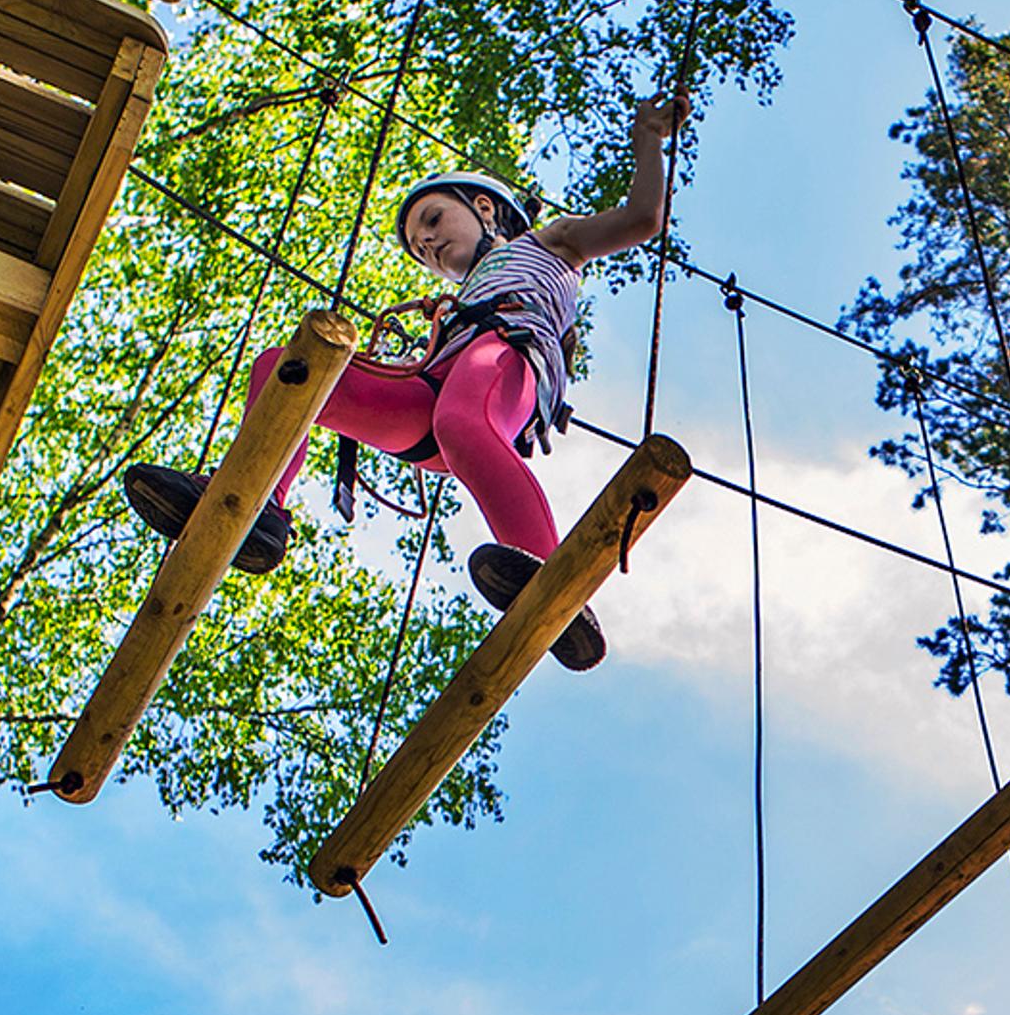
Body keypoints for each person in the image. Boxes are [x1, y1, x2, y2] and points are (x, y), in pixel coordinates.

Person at [120, 94, 684, 673]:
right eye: (419, 247)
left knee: (461, 420)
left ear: (485, 207)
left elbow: (644, 219)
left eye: (433, 221)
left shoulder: (550, 243)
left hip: (504, 363)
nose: (428, 245)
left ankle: (548, 576)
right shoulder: (458, 300)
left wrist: (647, 136)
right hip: (435, 388)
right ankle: (260, 505)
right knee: (287, 371)